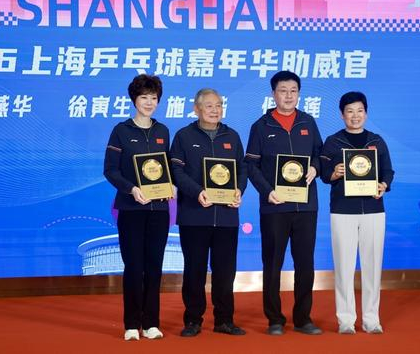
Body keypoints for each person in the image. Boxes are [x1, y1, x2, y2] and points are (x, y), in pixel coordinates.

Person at [245, 71, 323, 336]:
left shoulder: (308, 122)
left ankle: (303, 318)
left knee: (305, 264)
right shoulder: (261, 126)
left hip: (306, 206)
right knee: (272, 264)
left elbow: (320, 155)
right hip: (275, 206)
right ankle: (274, 319)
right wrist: (267, 192)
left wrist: (315, 167)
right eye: (283, 91)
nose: (288, 96)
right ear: (273, 94)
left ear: (299, 93)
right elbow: (250, 165)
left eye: (293, 91)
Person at [170, 88, 248, 337]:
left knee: (225, 272)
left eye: (219, 105)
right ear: (197, 108)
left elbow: (242, 169)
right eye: (209, 106)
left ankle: (224, 320)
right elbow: (176, 172)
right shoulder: (184, 136)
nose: (215, 110)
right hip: (194, 215)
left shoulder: (232, 136)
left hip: (226, 217)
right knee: (194, 270)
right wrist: (197, 192)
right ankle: (193, 320)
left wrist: (239, 190)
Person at [319, 91, 394, 335]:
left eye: (359, 111)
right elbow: (323, 173)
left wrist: (383, 185)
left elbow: (388, 171)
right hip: (343, 211)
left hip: (373, 210)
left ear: (366, 113)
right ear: (342, 115)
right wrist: (335, 172)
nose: (355, 116)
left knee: (373, 266)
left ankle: (372, 320)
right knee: (344, 266)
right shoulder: (333, 141)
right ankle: (345, 320)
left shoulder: (377, 141)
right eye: (350, 111)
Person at [103, 74, 170, 341]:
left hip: (159, 211)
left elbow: (167, 169)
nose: (149, 102)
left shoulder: (163, 131)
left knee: (154, 266)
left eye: (154, 98)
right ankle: (131, 324)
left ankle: (151, 322)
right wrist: (132, 189)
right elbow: (110, 170)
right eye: (144, 97)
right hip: (131, 209)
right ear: (134, 99)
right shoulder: (121, 131)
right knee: (133, 266)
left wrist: (171, 185)